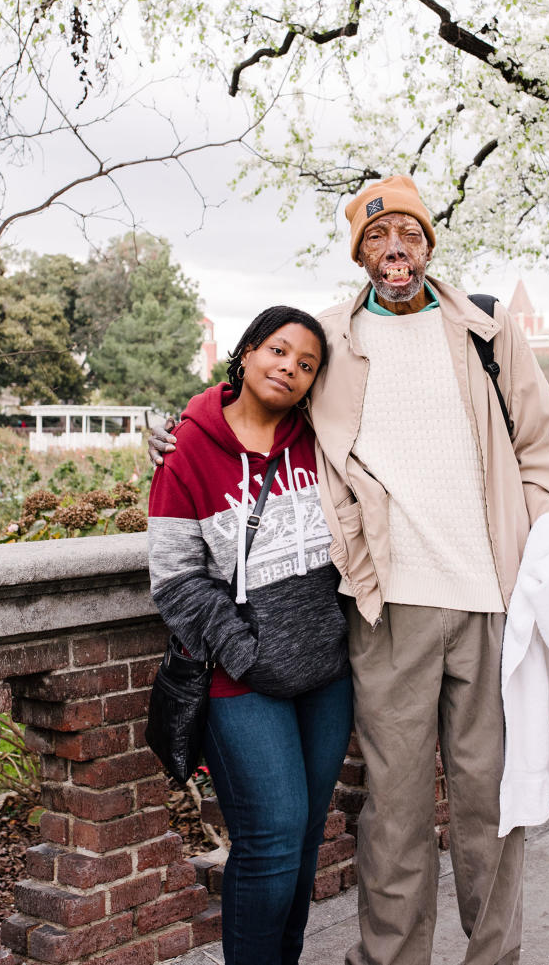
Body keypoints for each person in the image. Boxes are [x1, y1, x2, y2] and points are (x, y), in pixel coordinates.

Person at [151, 177, 549, 965]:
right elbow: (258, 397)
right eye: (378, 240)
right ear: (361, 254)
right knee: (396, 811)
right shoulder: (332, 343)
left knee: (493, 804)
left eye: (409, 235)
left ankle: (494, 955)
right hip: (386, 612)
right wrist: (182, 428)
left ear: (428, 244)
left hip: (491, 604)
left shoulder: (486, 328)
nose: (395, 250)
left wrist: (543, 558)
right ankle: (389, 958)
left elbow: (544, 449)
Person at [147, 305, 352, 965]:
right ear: (247, 351)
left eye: (306, 363)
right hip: (242, 681)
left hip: (326, 677)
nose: (289, 367)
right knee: (270, 835)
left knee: (302, 838)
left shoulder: (320, 439)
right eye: (278, 350)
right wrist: (245, 652)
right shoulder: (187, 450)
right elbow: (175, 581)